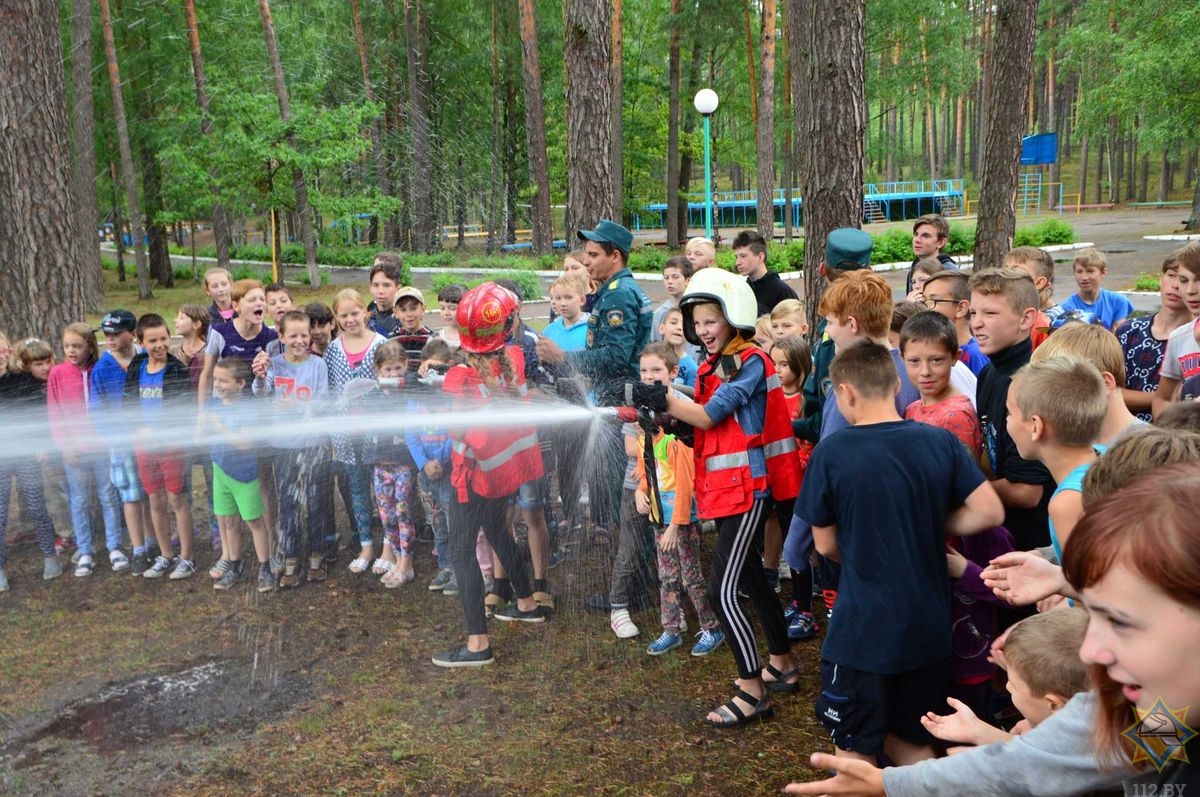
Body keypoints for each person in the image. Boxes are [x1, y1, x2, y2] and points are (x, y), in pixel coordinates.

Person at [796, 340, 1003, 765]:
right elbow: (989, 509)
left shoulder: (831, 452)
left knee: (854, 748)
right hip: (927, 631)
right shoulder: (938, 442)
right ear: (895, 386)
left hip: (861, 633)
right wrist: (924, 524)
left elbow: (825, 544)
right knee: (916, 743)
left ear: (845, 392)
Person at [641, 266, 802, 726]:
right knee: (749, 576)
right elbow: (703, 428)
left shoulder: (751, 361)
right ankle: (783, 662)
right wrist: (663, 414)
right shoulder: (716, 365)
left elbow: (711, 415)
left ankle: (753, 690)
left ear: (734, 317)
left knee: (721, 590)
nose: (703, 330)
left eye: (712, 320)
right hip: (729, 489)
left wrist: (665, 398)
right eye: (698, 322)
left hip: (748, 489)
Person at [431, 283, 548, 668]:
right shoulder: (513, 356)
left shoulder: (461, 379)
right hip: (504, 474)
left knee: (462, 550)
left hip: (474, 477)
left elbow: (460, 432)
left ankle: (477, 643)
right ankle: (527, 602)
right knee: (498, 532)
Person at [631, 343, 725, 658]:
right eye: (644, 371)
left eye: (656, 370)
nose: (648, 377)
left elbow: (686, 481)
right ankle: (671, 629)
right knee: (666, 576)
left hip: (681, 519)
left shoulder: (677, 422)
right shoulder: (647, 419)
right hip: (661, 515)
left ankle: (711, 628)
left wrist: (676, 524)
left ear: (673, 372)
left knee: (691, 576)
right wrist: (641, 489)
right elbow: (647, 461)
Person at [969, 268, 1054, 552]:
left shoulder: (1029, 383)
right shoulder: (988, 374)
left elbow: (1027, 491)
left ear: (1026, 318)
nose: (977, 324)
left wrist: (960, 492)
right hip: (1004, 535)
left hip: (1038, 545)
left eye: (990, 314)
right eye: (973, 313)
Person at [920, 608, 1090, 749]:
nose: (1007, 687)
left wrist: (984, 737)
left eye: (1014, 685)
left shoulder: (1099, 752)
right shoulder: (1108, 729)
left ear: (1053, 704)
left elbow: (1051, 764)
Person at [252, 310, 329, 588]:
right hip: (284, 446)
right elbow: (261, 393)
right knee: (288, 505)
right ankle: (291, 560)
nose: (299, 340)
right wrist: (260, 376)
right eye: (293, 335)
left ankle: (317, 559)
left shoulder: (317, 365)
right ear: (281, 337)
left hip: (313, 446)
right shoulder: (273, 364)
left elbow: (322, 402)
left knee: (316, 501)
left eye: (304, 335)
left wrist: (297, 406)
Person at [123, 313, 196, 580]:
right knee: (155, 499)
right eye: (152, 340)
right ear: (140, 341)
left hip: (171, 446)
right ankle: (165, 554)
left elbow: (182, 409)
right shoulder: (137, 365)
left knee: (177, 498)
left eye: (163, 338)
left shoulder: (176, 369)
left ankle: (187, 558)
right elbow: (128, 402)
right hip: (145, 447)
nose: (159, 345)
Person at [47, 323, 123, 578]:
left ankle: (114, 546)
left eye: (77, 346)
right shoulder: (57, 374)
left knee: (108, 495)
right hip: (75, 450)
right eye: (67, 345)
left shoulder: (98, 370)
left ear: (89, 346)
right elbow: (54, 414)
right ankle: (85, 550)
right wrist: (64, 446)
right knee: (78, 501)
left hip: (102, 447)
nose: (71, 350)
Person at [324, 288, 387, 575]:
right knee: (358, 490)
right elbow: (331, 391)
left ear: (366, 312)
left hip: (377, 433)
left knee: (383, 491)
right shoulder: (333, 350)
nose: (350, 319)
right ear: (336, 318)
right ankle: (366, 545)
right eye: (344, 315)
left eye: (355, 313)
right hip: (347, 435)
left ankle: (390, 545)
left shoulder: (381, 344)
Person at [794, 227, 874, 445]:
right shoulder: (880, 325)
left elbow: (829, 415)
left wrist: (786, 426)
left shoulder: (840, 339)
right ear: (870, 270)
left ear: (821, 269)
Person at [202, 358, 274, 593]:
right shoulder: (213, 405)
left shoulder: (246, 409)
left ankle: (265, 567)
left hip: (244, 475)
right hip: (220, 471)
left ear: (241, 383)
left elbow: (244, 444)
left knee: (254, 522)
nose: (218, 385)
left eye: (224, 380)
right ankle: (235, 565)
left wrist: (218, 425)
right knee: (229, 521)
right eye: (215, 380)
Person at [91, 310, 149, 574]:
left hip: (150, 440)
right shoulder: (102, 368)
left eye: (116, 334)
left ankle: (153, 541)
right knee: (131, 495)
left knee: (151, 493)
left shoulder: (145, 356)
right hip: (122, 443)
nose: (110, 339)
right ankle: (138, 549)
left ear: (132, 333)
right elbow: (97, 410)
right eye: (106, 334)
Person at [0, 333, 60, 589]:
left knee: (36, 505)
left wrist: (41, 443)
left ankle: (50, 555)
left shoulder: (23, 378)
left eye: (2, 352)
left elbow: (39, 413)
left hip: (26, 453)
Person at [768, 335, 819, 640]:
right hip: (780, 482)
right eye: (773, 363)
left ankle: (808, 610)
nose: (777, 369)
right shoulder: (772, 396)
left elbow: (810, 438)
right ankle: (799, 602)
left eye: (783, 364)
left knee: (802, 545)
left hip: (802, 483)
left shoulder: (804, 400)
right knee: (791, 542)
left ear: (799, 366)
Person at [359, 341, 419, 588]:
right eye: (388, 370)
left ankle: (407, 563)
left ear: (405, 366)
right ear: (377, 370)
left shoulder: (410, 390)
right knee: (386, 516)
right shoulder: (372, 396)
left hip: (403, 464)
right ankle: (394, 556)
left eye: (398, 368)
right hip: (380, 466)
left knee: (403, 513)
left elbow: (419, 380)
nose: (394, 374)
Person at [1031, 323, 1142, 447]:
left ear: (1103, 384)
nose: (1047, 398)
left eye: (1056, 387)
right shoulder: (1074, 439)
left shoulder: (1149, 453)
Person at [406, 338, 458, 595]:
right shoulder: (416, 398)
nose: (434, 374)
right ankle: (445, 566)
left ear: (450, 366)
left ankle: (460, 570)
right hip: (426, 474)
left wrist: (442, 461)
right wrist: (424, 463)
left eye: (440, 368)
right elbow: (410, 434)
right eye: (429, 368)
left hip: (449, 472)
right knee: (436, 521)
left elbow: (455, 432)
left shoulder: (452, 397)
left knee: (453, 520)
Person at [1117, 255, 1192, 422]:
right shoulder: (1129, 331)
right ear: (1161, 279)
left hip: (1179, 438)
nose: (1175, 285)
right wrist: (1164, 397)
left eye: (1184, 280)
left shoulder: (1194, 338)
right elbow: (1109, 392)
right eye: (1171, 275)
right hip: (1125, 438)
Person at [900, 311, 981, 456]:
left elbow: (962, 475)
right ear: (902, 358)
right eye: (914, 361)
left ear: (955, 357)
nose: (925, 371)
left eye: (936, 360)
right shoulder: (912, 408)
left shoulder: (955, 416)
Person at [1151, 242, 1200, 417]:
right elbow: (1162, 399)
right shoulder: (1179, 337)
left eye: (1199, 280)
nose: (1190, 290)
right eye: (1184, 280)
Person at [920, 270, 990, 377]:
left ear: (961, 308)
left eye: (935, 300)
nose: (926, 308)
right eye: (924, 301)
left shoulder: (974, 354)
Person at [1060, 248, 1134, 331]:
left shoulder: (1118, 301)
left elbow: (1121, 333)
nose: (1084, 277)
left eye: (1090, 271)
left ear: (1103, 272)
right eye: (1079, 271)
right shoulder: (1067, 307)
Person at [732, 229, 798, 315]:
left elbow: (795, 324)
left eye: (743, 256)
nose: (737, 263)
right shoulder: (743, 290)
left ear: (760, 257)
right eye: (736, 257)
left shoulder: (782, 292)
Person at [1003, 246, 1055, 350]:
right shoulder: (1002, 316)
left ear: (1039, 283)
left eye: (1016, 271)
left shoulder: (1041, 327)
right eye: (1005, 269)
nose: (1006, 275)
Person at [905, 213, 956, 295]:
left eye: (925, 236)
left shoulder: (949, 272)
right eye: (916, 234)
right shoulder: (914, 270)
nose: (917, 240)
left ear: (940, 242)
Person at [542, 273, 590, 354]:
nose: (563, 303)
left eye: (568, 297)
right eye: (558, 298)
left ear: (582, 300)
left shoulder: (592, 328)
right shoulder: (549, 331)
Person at [390, 286, 433, 373]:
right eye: (403, 310)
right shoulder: (391, 340)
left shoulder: (432, 339)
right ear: (395, 312)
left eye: (413, 308)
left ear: (423, 309)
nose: (409, 314)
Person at [649, 255, 693, 341]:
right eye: (666, 278)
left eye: (675, 277)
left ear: (687, 280)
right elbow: (655, 344)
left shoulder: (696, 309)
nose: (670, 282)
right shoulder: (660, 313)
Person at [658, 306, 698, 389]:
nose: (679, 327)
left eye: (684, 325)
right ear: (662, 328)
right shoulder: (650, 359)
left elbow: (691, 398)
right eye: (673, 322)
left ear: (690, 334)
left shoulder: (692, 368)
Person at [366, 252, 404, 338]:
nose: (380, 291)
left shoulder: (404, 315)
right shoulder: (370, 309)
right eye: (375, 268)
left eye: (386, 285)